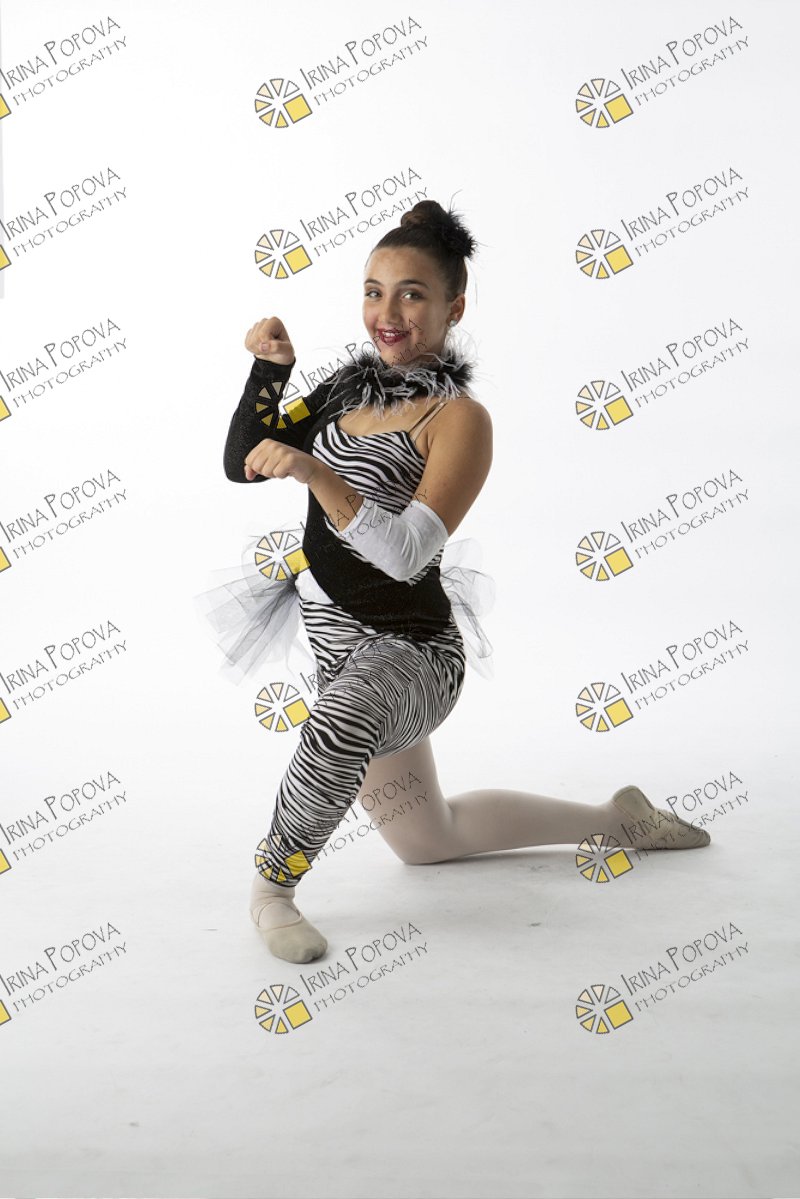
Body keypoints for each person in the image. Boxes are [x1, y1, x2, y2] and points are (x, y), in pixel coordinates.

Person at [198, 201, 710, 966]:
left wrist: (317, 473)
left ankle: (273, 888)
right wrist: (269, 369)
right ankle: (617, 818)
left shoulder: (459, 419)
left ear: (453, 308)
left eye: (411, 294)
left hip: (412, 652)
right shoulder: (343, 390)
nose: (387, 313)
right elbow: (245, 459)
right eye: (373, 291)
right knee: (428, 839)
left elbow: (406, 554)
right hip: (340, 650)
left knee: (337, 724)